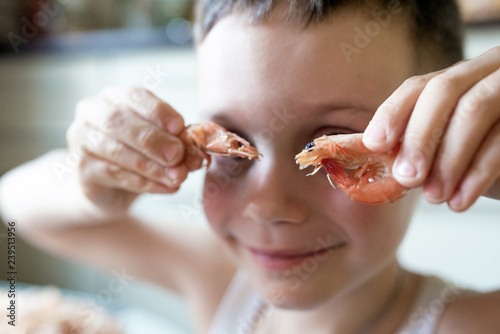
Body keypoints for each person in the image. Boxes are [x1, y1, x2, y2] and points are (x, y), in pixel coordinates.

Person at [1, 0, 500, 333]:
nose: (268, 207)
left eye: (334, 150)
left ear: (440, 132)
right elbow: (14, 202)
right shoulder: (221, 283)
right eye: (234, 151)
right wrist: (92, 184)